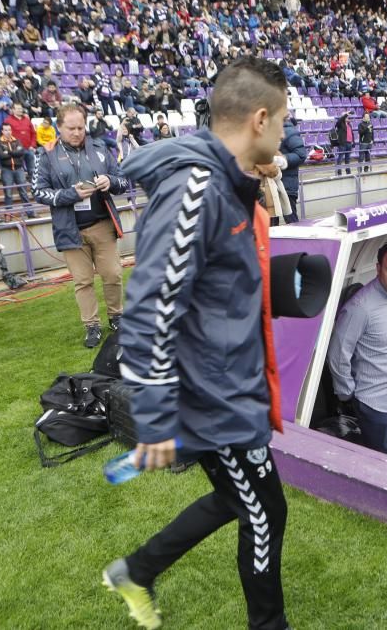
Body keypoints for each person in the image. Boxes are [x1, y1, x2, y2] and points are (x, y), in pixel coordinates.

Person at [105, 57, 291, 630]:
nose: (285, 138)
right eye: (283, 122)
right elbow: (150, 309)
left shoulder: (230, 184)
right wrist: (157, 418)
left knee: (244, 501)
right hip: (213, 396)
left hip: (231, 384)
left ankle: (135, 570)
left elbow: (213, 285)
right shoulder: (195, 187)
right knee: (263, 514)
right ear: (260, 118)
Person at [34, 104, 130, 348]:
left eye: (80, 127)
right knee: (83, 281)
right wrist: (71, 195)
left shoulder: (100, 147)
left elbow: (123, 180)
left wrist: (111, 181)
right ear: (59, 127)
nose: (77, 132)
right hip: (70, 228)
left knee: (113, 274)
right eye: (71, 128)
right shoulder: (46, 154)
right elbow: (38, 192)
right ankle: (92, 326)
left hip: (102, 224)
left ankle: (117, 317)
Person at [328, 239, 387, 460]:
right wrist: (348, 393)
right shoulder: (359, 308)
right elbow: (337, 354)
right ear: (378, 268)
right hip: (375, 401)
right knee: (379, 461)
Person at [0, 123, 34, 217]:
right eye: (6, 130)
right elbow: (1, 156)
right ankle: (9, 215)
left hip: (18, 168)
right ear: (2, 131)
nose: (8, 132)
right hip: (6, 169)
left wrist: (8, 152)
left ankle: (30, 213)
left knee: (24, 192)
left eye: (9, 130)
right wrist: (14, 152)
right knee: (8, 193)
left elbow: (21, 152)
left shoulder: (17, 140)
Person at [278, 117, 305, 223]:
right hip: (269, 185)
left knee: (291, 221)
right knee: (270, 224)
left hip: (286, 185)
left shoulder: (289, 131)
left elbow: (301, 154)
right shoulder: (267, 130)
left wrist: (281, 159)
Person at [332, 111, 353, 176]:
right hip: (343, 143)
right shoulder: (340, 123)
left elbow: (351, 134)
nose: (348, 118)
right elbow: (338, 121)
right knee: (340, 158)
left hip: (349, 143)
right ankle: (339, 172)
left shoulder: (349, 124)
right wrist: (345, 114)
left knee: (348, 158)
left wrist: (353, 142)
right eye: (346, 117)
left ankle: (348, 172)